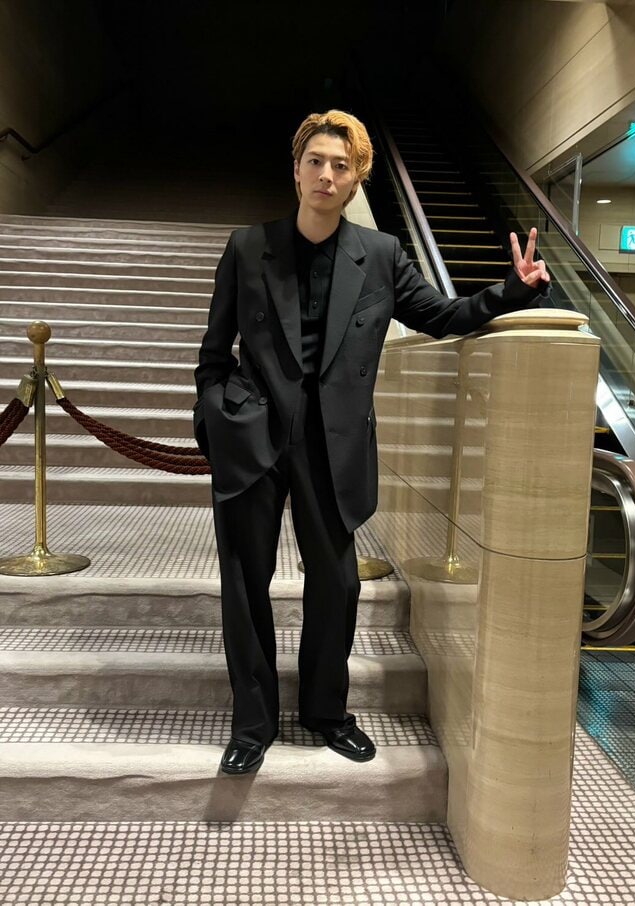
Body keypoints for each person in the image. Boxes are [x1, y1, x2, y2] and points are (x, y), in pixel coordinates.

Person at [193, 109, 551, 775]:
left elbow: (440, 315)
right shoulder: (247, 247)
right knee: (244, 583)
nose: (326, 176)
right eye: (315, 162)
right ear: (296, 169)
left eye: (341, 166)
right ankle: (253, 724)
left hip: (333, 444)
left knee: (336, 583)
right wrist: (216, 418)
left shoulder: (380, 255)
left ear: (356, 180)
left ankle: (325, 712)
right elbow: (214, 352)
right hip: (254, 438)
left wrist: (510, 291)